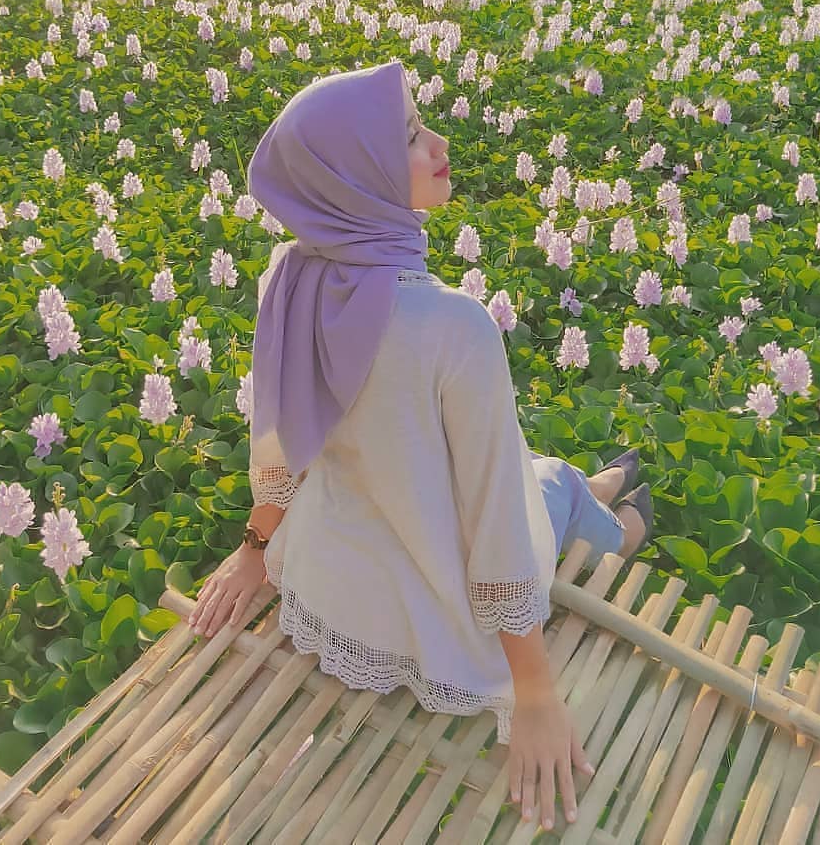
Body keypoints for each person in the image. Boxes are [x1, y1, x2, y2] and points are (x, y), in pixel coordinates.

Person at [188, 59, 653, 832]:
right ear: (357, 173)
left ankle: (591, 488)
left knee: (530, 473)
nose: (438, 142)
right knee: (539, 489)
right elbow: (495, 521)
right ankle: (619, 521)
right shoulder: (454, 325)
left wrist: (253, 550)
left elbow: (275, 441)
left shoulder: (287, 274)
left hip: (330, 589)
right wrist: (534, 693)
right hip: (442, 623)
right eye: (408, 136)